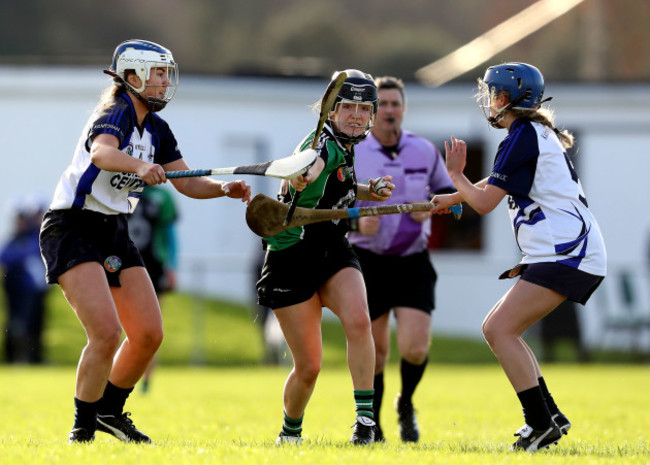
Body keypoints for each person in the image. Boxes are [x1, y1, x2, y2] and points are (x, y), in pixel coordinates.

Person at [39, 39, 251, 444]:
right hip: (72, 227)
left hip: (114, 230)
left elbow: (187, 181)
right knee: (105, 333)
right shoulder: (114, 112)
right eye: (157, 74)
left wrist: (224, 188)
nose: (164, 82)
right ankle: (81, 430)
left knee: (150, 333)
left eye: (166, 74)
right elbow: (102, 154)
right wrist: (139, 165)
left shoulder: (157, 129)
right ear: (133, 76)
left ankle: (109, 412)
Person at [431, 62, 607, 452]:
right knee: (501, 328)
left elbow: (487, 202)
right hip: (568, 251)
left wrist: (456, 176)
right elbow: (495, 184)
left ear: (507, 99)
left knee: (498, 330)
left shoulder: (522, 135)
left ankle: (540, 424)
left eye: (493, 94)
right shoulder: (531, 132)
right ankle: (550, 416)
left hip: (566, 253)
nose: (489, 102)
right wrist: (455, 195)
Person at [256, 69, 395, 446]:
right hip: (291, 254)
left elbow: (337, 183)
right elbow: (314, 165)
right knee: (309, 367)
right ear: (330, 112)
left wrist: (368, 190)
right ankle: (290, 433)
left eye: (362, 109)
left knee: (359, 321)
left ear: (370, 115)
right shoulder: (322, 145)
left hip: (332, 246)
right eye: (346, 107)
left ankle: (365, 422)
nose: (354, 115)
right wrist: (300, 176)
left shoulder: (346, 147)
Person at [348, 76, 455, 443]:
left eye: (396, 104)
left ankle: (405, 404)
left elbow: (447, 194)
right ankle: (372, 424)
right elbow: (329, 202)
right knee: (376, 353)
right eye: (384, 105)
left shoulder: (423, 150)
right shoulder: (354, 152)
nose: (390, 111)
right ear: (372, 112)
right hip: (367, 259)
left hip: (412, 260)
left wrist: (434, 208)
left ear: (404, 109)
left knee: (415, 347)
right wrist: (356, 219)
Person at [127, 184, 179, 392]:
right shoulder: (124, 189)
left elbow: (170, 234)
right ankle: (118, 380)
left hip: (153, 266)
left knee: (150, 327)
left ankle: (146, 381)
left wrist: (172, 266)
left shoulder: (161, 196)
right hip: (123, 263)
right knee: (122, 327)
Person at [1, 195, 49, 364]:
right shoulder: (16, 239)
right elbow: (5, 257)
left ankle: (34, 359)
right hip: (17, 291)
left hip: (35, 292)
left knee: (35, 326)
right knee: (17, 325)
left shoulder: (37, 236)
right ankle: (14, 359)